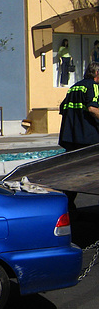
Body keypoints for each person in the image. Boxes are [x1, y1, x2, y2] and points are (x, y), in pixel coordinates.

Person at [58, 62, 99, 209]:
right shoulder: (93, 86)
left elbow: (62, 108)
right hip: (88, 137)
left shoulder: (74, 87)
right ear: (96, 74)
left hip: (70, 137)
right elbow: (93, 109)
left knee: (72, 173)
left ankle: (68, 206)